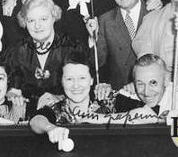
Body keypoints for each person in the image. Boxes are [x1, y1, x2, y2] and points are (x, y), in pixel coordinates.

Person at [29, 52, 158, 148]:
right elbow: (36, 120)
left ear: (91, 80)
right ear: (61, 82)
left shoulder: (108, 100)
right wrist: (50, 128)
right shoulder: (57, 109)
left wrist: (94, 118)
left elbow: (149, 115)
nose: (76, 85)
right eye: (69, 79)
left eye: (82, 78)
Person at [4, 0, 89, 114]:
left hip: (66, 114)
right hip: (27, 115)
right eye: (31, 20)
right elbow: (9, 85)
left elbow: (84, 86)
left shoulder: (72, 48)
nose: (37, 26)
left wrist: (60, 98)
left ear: (53, 17)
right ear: (24, 22)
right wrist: (11, 93)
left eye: (43, 19)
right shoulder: (17, 51)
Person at [86, 0, 162, 91]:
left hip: (154, 92)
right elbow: (96, 64)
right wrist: (92, 38)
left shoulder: (155, 12)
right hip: (121, 96)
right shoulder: (105, 20)